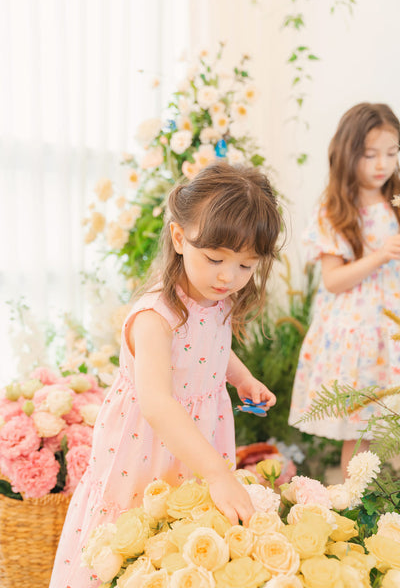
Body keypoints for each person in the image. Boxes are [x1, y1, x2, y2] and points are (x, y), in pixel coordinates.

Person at [50, 161, 283, 588]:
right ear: (179, 238)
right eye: (215, 259)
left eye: (247, 266)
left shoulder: (219, 300)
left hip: (199, 439)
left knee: (187, 543)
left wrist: (242, 379)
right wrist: (217, 473)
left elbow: (214, 349)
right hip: (145, 446)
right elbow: (157, 403)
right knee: (136, 534)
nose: (229, 277)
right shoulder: (154, 318)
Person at [289, 102, 400, 478]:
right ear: (348, 153)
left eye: (391, 153)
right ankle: (355, 509)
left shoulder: (396, 201)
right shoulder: (336, 209)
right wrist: (380, 255)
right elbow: (333, 280)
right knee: (362, 429)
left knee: (393, 427)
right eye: (370, 155)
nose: (382, 164)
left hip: (394, 325)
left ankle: (390, 513)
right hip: (358, 331)